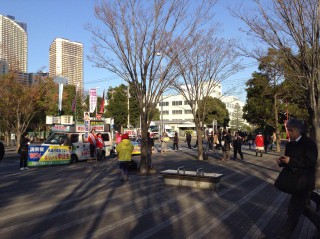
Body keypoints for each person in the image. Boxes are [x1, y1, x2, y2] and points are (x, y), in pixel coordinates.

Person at [275, 119, 320, 238]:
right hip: (294, 183)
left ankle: (282, 236)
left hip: (304, 183)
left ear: (299, 130)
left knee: (293, 212)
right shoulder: (290, 144)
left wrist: (291, 160)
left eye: (291, 130)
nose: (289, 133)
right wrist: (282, 162)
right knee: (303, 208)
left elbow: (310, 162)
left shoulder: (309, 143)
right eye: (288, 130)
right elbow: (289, 162)